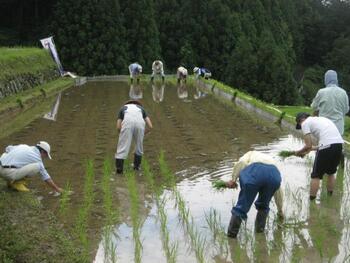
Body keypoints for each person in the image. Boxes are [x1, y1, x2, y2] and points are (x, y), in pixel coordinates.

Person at [225, 151, 283, 238]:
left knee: (242, 207)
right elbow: (278, 191)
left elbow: (242, 162)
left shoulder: (250, 153)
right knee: (264, 206)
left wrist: (233, 179)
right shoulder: (272, 163)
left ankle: (231, 236)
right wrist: (280, 211)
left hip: (254, 172)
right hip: (274, 176)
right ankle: (259, 233)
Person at [294, 112, 343, 200]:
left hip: (327, 146)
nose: (301, 128)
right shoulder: (322, 119)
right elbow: (326, 145)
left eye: (300, 125)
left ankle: (311, 201)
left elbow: (308, 145)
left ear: (301, 120)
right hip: (338, 145)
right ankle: (329, 198)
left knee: (316, 175)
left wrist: (298, 152)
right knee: (331, 173)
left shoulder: (305, 123)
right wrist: (307, 150)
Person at [115, 100, 153, 174]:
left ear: (127, 104)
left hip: (127, 123)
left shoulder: (123, 108)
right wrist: (143, 134)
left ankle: (119, 170)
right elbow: (150, 126)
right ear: (138, 105)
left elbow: (118, 127)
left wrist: (123, 135)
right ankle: (137, 167)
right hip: (140, 123)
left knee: (122, 147)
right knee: (139, 147)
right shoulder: (141, 109)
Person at [311, 69, 349, 135]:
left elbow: (313, 107)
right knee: (338, 144)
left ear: (326, 79)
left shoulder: (321, 92)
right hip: (338, 128)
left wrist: (319, 110)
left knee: (324, 144)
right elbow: (346, 110)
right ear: (336, 79)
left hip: (324, 126)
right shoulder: (343, 92)